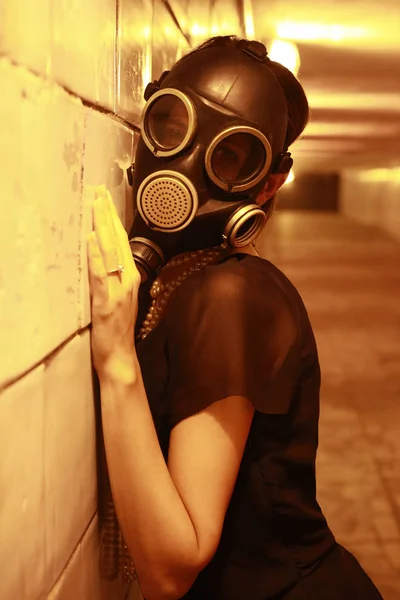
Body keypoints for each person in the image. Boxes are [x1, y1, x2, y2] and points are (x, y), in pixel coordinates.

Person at [88, 36, 383, 600]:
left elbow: (173, 566)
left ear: (268, 183)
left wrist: (117, 359)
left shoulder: (231, 296)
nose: (189, 164)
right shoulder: (188, 278)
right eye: (173, 128)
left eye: (230, 155)